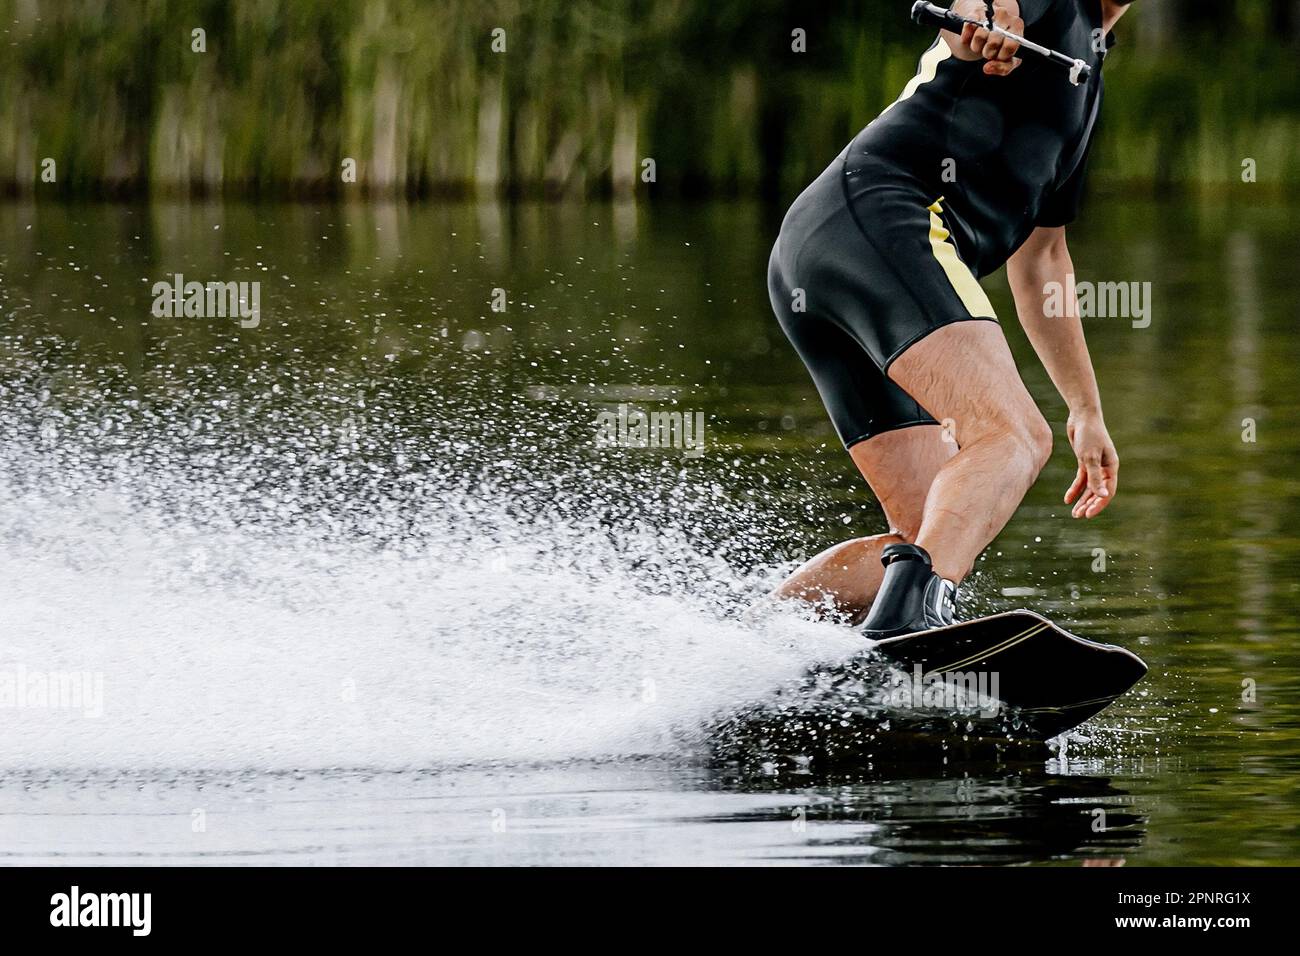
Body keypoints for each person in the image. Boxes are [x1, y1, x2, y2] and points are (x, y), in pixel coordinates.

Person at [768, 0, 1132, 637]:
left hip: (824, 250)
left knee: (925, 532)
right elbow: (983, 16)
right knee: (1014, 436)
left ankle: (752, 653)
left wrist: (1087, 409)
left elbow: (1042, 260)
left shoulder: (1085, 79)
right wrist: (978, 13)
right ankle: (905, 628)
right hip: (882, 221)